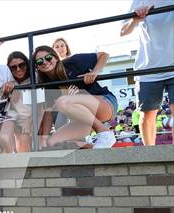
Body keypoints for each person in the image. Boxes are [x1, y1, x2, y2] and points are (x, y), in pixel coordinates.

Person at [33, 45, 117, 148]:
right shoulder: (45, 85)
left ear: (55, 57)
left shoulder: (73, 62)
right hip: (84, 119)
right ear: (37, 66)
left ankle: (104, 132)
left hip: (104, 104)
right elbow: (49, 112)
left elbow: (104, 55)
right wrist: (44, 139)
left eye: (48, 57)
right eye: (40, 61)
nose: (45, 62)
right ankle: (95, 147)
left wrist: (95, 72)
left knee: (63, 101)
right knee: (52, 142)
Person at [120, 0, 174, 145]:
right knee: (148, 113)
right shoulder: (138, 1)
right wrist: (135, 20)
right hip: (148, 67)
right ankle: (150, 154)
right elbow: (122, 31)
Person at [6, 51, 33, 152]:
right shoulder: (8, 81)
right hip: (17, 120)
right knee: (22, 143)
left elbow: (41, 106)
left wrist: (29, 121)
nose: (18, 69)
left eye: (22, 65)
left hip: (35, 116)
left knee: (38, 143)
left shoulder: (35, 78)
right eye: (13, 67)